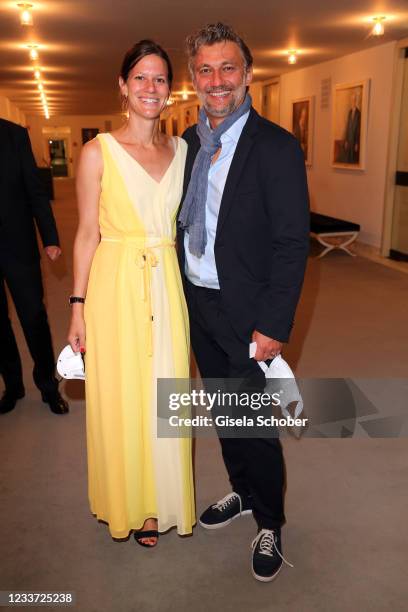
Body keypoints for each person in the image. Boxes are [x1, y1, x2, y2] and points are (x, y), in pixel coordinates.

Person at [177, 23, 309, 581]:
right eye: (205, 69)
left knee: (253, 422)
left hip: (250, 313)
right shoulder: (186, 143)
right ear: (193, 79)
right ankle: (241, 492)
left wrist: (273, 324)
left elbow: (290, 243)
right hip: (198, 303)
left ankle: (271, 522)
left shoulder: (275, 146)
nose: (217, 80)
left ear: (248, 74)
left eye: (227, 67)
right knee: (224, 412)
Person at [68, 40, 195, 547]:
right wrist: (77, 308)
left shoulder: (184, 150)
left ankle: (159, 504)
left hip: (166, 283)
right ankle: (129, 502)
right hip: (115, 284)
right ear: (123, 86)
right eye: (140, 77)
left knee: (165, 396)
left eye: (159, 79)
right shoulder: (97, 152)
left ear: (170, 89)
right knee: (122, 397)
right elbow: (84, 235)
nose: (150, 88)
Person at [0, 118, 69, 415]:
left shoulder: (14, 135)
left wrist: (50, 236)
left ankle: (48, 386)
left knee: (34, 317)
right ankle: (12, 386)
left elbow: (34, 189)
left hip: (18, 244)